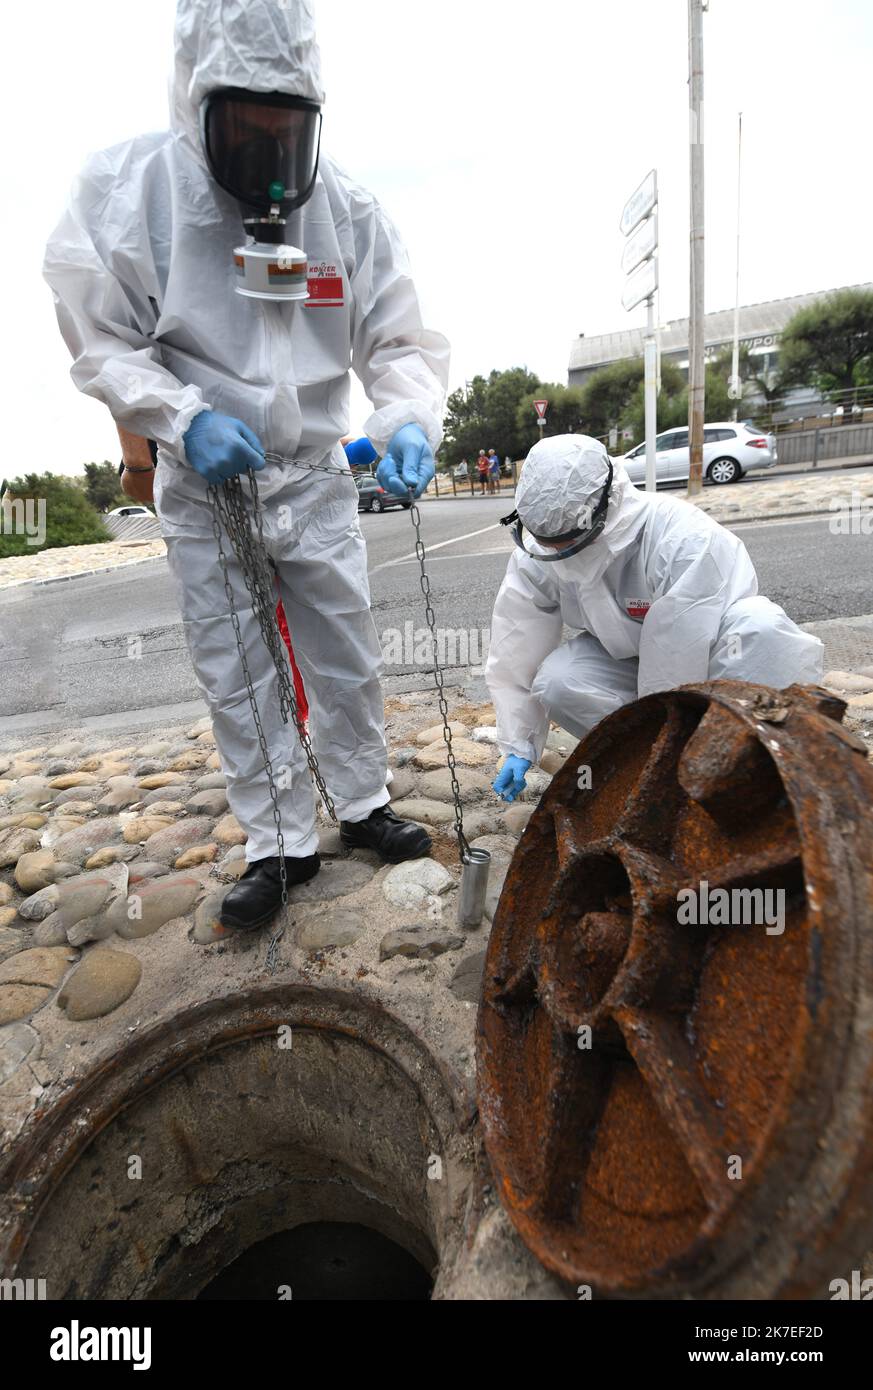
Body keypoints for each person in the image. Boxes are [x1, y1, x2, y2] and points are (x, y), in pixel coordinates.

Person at [44, 0, 450, 931]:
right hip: (208, 479)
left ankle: (360, 804)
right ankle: (277, 844)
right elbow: (101, 342)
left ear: (312, 113)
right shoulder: (126, 191)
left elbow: (397, 339)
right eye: (246, 129)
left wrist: (407, 417)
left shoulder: (345, 208)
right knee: (236, 663)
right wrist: (181, 417)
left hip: (312, 471)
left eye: (287, 129)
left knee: (340, 649)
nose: (269, 154)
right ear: (199, 102)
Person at [486, 434, 824, 803]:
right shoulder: (540, 550)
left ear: (605, 509)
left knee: (761, 628)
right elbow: (516, 640)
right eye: (547, 543)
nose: (557, 554)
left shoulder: (680, 538)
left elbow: (677, 654)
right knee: (558, 680)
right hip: (629, 662)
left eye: (566, 544)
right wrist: (519, 742)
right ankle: (642, 759)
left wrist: (677, 750)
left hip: (717, 661)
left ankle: (759, 765)